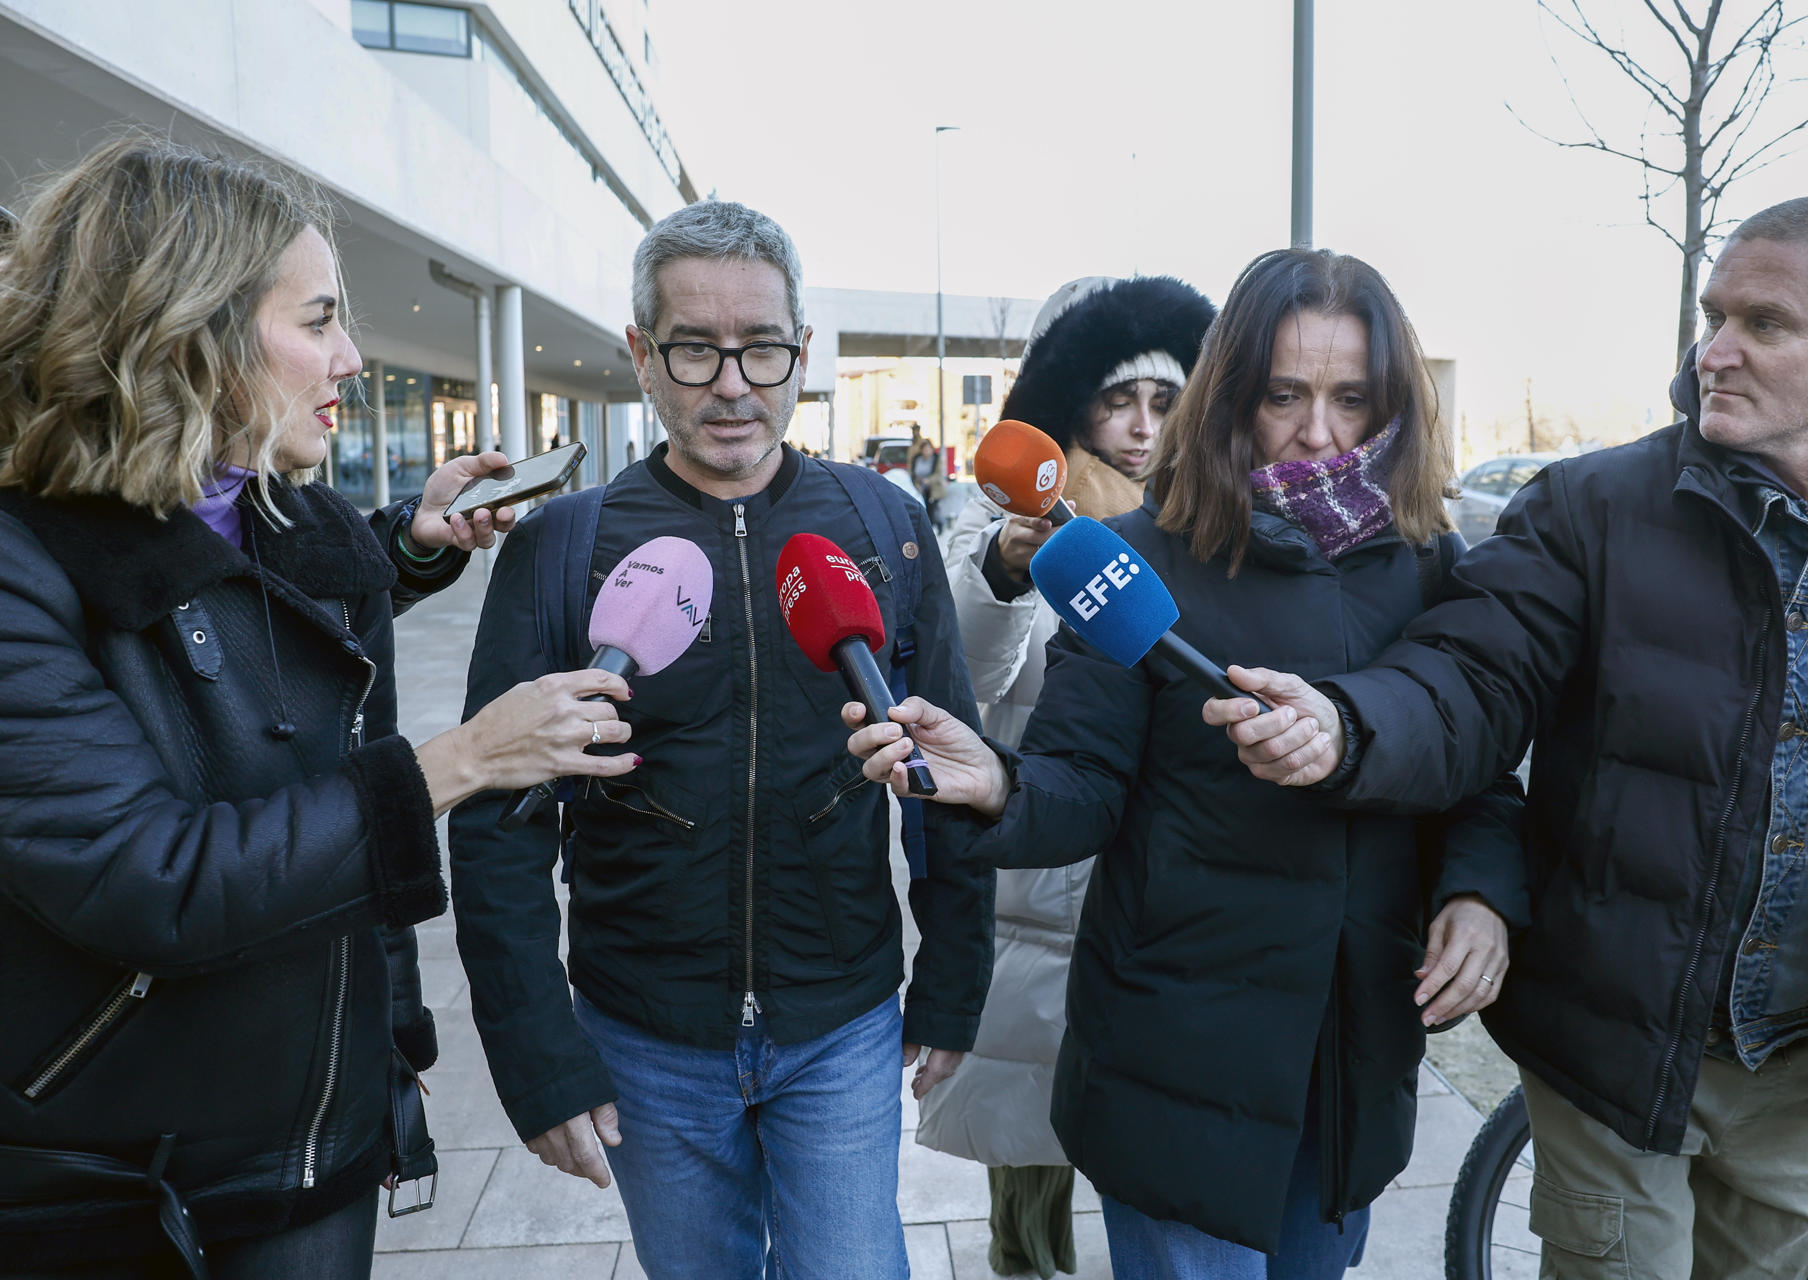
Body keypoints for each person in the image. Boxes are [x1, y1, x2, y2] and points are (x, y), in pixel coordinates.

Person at [1239, 197, 1808, 1278]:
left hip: (1807, 1056)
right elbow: (1469, 672)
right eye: (1713, 315)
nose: (1716, 351)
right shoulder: (1599, 506)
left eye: (1765, 324)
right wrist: (1351, 720)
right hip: (1611, 1039)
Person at [0, 135, 638, 1278]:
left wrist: (412, 541)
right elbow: (150, 875)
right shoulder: (20, 565)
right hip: (108, 1180)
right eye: (316, 321)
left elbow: (274, 609)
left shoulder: (288, 517)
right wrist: (457, 761)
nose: (350, 354)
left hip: (318, 1146)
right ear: (187, 329)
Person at [845, 247, 1528, 1277]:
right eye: (1283, 394)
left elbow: (1471, 765)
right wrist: (998, 784)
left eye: (1353, 398)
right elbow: (1082, 780)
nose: (1317, 431)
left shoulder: (1429, 562)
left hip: (1349, 1062)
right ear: (1233, 395)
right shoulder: (1140, 553)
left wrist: (1480, 892)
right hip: (1172, 1063)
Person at [446, 200, 995, 1280]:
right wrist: (533, 1045)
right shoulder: (560, 547)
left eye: (763, 348)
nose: (734, 382)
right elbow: (496, 825)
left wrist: (955, 975)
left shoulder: (884, 527)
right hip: (645, 1034)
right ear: (644, 355)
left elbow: (947, 774)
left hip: (842, 1020)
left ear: (802, 352)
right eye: (696, 348)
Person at [923, 273, 1215, 1278]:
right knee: (1033, 1176)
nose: (1140, 428)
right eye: (1116, 401)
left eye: (1164, 403)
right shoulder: (1000, 513)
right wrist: (1006, 571)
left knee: (1157, 1161)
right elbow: (967, 672)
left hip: (1166, 878)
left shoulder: (1202, 514)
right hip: (1044, 881)